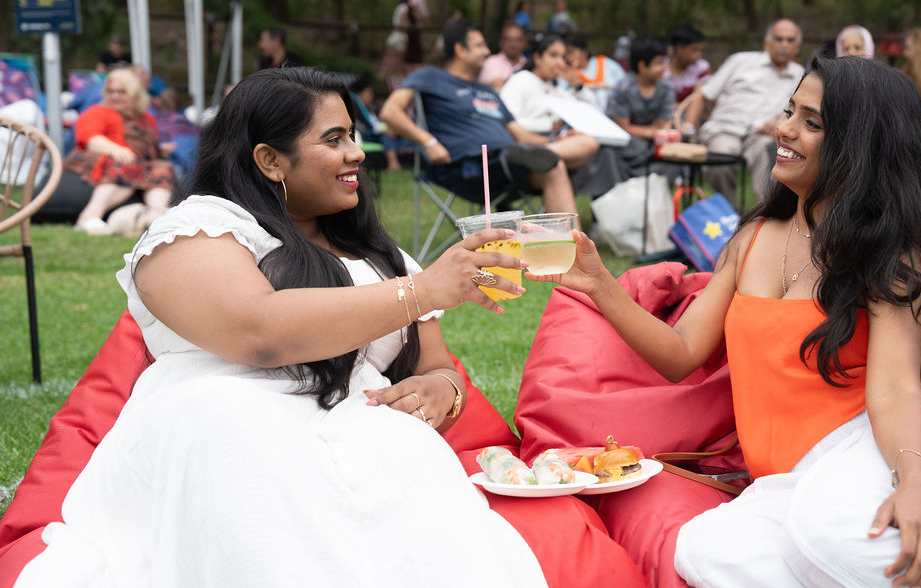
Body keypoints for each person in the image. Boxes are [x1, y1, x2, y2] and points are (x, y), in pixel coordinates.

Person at [13, 67, 546, 587]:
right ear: (270, 160)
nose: (357, 153)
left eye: (354, 136)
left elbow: (437, 366)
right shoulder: (201, 228)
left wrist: (440, 392)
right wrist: (423, 290)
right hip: (223, 427)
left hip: (363, 436)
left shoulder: (383, 256)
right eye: (334, 138)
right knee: (248, 449)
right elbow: (260, 332)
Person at [528, 56, 921, 588]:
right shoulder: (753, 238)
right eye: (789, 111)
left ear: (860, 146)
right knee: (704, 549)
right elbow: (681, 353)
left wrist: (918, 485)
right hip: (795, 485)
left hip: (895, 452)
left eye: (812, 122)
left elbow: (896, 391)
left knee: (825, 537)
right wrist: (600, 284)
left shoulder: (893, 254)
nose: (783, 128)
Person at [379, 19, 577, 214]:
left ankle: (571, 243)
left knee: (559, 163)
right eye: (480, 45)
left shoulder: (488, 91)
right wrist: (428, 141)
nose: (487, 51)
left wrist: (554, 139)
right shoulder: (431, 76)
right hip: (468, 167)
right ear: (460, 50)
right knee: (550, 162)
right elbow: (390, 111)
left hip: (509, 164)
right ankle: (532, 156)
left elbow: (522, 135)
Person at [677, 18, 804, 208]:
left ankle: (765, 217)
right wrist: (687, 127)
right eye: (779, 39)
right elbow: (703, 93)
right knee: (720, 159)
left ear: (798, 47)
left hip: (763, 135)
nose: (784, 45)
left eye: (790, 40)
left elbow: (800, 111)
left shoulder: (800, 74)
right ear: (767, 42)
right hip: (726, 129)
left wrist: (780, 121)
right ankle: (733, 216)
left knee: (771, 156)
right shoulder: (741, 61)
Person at [499, 34, 622, 196]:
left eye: (563, 58)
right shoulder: (520, 80)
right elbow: (506, 121)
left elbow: (592, 113)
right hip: (519, 149)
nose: (559, 62)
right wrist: (550, 125)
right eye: (553, 55)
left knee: (603, 150)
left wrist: (578, 85)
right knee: (589, 145)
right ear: (537, 57)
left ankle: (601, 210)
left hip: (554, 146)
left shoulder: (555, 89)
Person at [64, 67, 175, 235]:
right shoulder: (98, 111)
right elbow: (89, 139)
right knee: (127, 164)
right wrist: (116, 149)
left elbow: (145, 146)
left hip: (137, 162)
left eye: (121, 92)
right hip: (98, 159)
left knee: (163, 168)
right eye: (111, 91)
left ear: (134, 93)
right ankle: (89, 216)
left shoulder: (146, 118)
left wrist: (159, 150)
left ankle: (157, 215)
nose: (115, 96)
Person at [606, 37, 675, 177]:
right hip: (627, 145)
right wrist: (652, 132)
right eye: (659, 63)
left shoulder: (666, 88)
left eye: (665, 62)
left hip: (655, 144)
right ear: (642, 66)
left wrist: (653, 131)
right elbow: (622, 128)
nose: (664, 68)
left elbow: (664, 126)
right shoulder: (623, 88)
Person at [565, 35, 627, 113]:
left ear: (584, 52)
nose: (569, 57)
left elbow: (624, 84)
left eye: (571, 52)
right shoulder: (568, 73)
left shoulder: (605, 63)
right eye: (566, 54)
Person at [663, 26, 711, 102]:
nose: (699, 55)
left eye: (700, 50)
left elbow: (698, 97)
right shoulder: (660, 67)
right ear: (680, 48)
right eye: (695, 50)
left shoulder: (701, 67)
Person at [479, 22, 528, 92]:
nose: (514, 44)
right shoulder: (491, 62)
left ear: (525, 42)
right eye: (509, 40)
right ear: (501, 42)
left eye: (518, 40)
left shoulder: (528, 63)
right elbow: (499, 88)